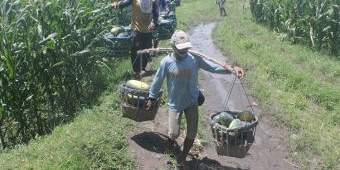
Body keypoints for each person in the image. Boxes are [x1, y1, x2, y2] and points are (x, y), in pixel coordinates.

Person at [146, 30, 244, 166]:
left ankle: (183, 156)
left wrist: (231, 69)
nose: (185, 49)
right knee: (173, 133)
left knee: (192, 132)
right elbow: (157, 81)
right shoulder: (166, 62)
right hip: (175, 103)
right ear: (173, 46)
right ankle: (170, 144)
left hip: (192, 101)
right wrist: (152, 96)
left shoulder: (194, 59)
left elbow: (213, 67)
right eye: (181, 47)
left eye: (186, 46)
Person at [111, 0, 159, 78]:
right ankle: (137, 71)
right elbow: (124, 3)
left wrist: (154, 22)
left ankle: (143, 67)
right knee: (135, 48)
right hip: (136, 29)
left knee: (147, 49)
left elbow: (155, 14)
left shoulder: (152, 1)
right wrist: (117, 5)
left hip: (148, 29)